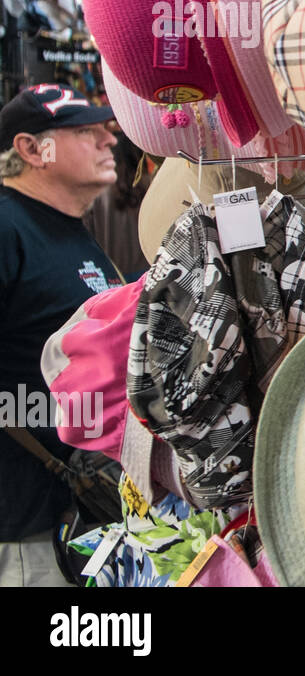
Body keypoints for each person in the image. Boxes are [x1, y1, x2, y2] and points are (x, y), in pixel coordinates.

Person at [0, 83, 123, 586]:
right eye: (85, 131)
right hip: (29, 529)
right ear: (31, 149)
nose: (108, 140)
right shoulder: (7, 227)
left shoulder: (69, 228)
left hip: (85, 517)